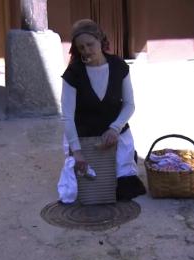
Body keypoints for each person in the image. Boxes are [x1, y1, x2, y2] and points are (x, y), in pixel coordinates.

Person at [60, 19, 146, 201]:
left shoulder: (119, 67)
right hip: (84, 134)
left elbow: (130, 104)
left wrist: (115, 128)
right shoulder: (73, 74)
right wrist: (77, 152)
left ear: (100, 40)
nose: (87, 50)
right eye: (81, 47)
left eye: (90, 44)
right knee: (79, 191)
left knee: (124, 190)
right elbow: (67, 117)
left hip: (115, 131)